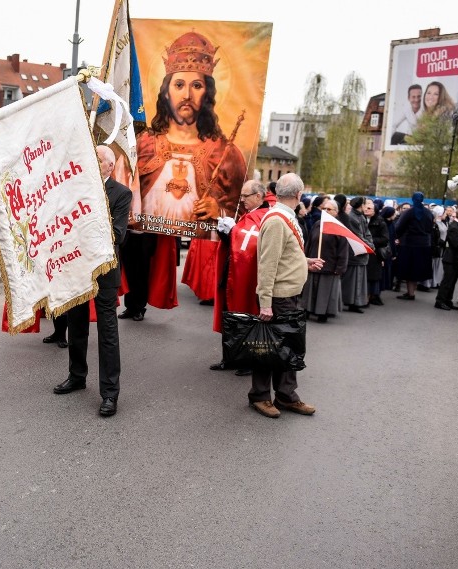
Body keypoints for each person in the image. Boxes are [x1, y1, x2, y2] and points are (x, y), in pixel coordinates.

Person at [134, 30, 247, 313]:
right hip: (143, 234)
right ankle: (135, 303)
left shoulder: (227, 153)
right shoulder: (143, 144)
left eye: (196, 85)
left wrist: (219, 210)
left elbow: (239, 212)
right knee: (137, 265)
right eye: (179, 84)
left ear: (207, 92)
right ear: (166, 90)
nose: (186, 94)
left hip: (192, 233)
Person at [53, 145, 132, 417]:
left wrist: (87, 219)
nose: (92, 162)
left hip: (105, 271)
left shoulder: (121, 193)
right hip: (77, 268)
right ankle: (76, 376)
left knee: (107, 331)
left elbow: (118, 234)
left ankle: (110, 393)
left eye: (97, 159)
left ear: (109, 165)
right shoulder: (75, 189)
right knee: (76, 325)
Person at [250, 173, 323, 419]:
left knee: (287, 349)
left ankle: (286, 395)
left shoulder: (284, 217)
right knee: (268, 348)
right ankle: (260, 396)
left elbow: (285, 255)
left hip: (288, 295)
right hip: (279, 297)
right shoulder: (277, 221)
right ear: (299, 195)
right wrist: (265, 303)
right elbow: (267, 265)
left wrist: (304, 263)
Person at [209, 179, 271, 376]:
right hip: (231, 272)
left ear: (259, 196)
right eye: (241, 195)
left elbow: (250, 246)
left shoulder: (265, 218)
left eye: (245, 196)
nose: (241, 199)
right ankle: (229, 357)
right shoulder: (247, 215)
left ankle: (247, 361)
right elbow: (236, 245)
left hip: (247, 277)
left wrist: (234, 230)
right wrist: (225, 232)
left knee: (245, 317)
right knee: (230, 316)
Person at [301, 199, 349, 322]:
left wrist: (340, 268)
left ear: (336, 212)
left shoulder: (339, 228)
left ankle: (323, 313)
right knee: (310, 289)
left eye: (329, 209)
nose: (326, 211)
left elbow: (343, 250)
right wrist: (304, 259)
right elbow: (309, 243)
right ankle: (307, 310)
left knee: (324, 292)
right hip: (313, 263)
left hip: (329, 266)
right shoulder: (318, 224)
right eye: (324, 209)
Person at [394, 192, 433, 301]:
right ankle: (411, 291)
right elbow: (430, 227)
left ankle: (410, 293)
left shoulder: (409, 212)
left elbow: (399, 226)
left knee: (409, 269)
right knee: (417, 269)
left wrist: (399, 237)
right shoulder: (428, 213)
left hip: (409, 244)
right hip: (424, 245)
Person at [341, 196, 373, 313]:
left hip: (361, 252)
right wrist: (370, 245)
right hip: (355, 253)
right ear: (361, 205)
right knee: (352, 280)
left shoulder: (360, 216)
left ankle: (356, 302)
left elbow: (367, 233)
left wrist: (370, 244)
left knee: (358, 279)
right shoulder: (353, 218)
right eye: (366, 204)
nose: (367, 206)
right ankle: (351, 302)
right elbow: (358, 236)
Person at [435, 206, 458, 310]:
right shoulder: (454, 227)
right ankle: (440, 301)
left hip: (455, 259)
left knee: (452, 282)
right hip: (450, 259)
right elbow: (456, 244)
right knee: (447, 281)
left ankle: (447, 300)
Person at [364, 199, 389, 305]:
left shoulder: (380, 222)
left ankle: (371, 297)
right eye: (365, 207)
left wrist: (369, 241)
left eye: (369, 208)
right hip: (363, 251)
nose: (366, 209)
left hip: (375, 253)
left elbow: (384, 239)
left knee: (372, 276)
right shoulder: (362, 220)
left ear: (375, 210)